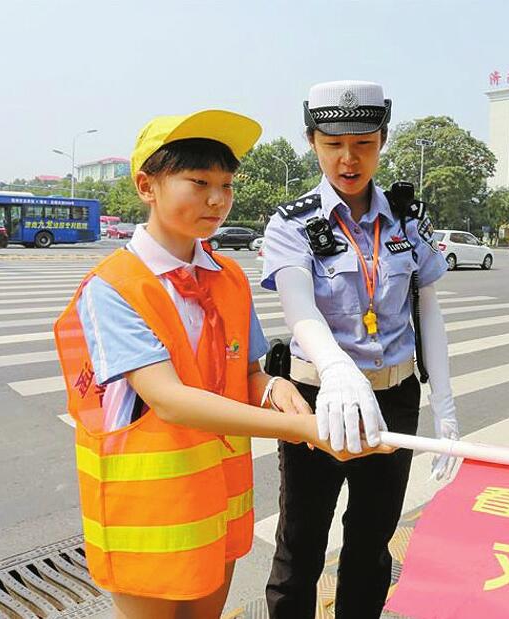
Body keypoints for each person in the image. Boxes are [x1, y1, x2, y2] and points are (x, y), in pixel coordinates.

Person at [53, 109, 388, 619]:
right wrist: (302, 429)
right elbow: (169, 400)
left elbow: (245, 373)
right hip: (147, 519)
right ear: (146, 186)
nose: (217, 199)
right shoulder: (114, 287)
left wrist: (274, 388)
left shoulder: (227, 277)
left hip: (215, 507)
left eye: (226, 185)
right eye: (199, 182)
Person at [261, 81, 460, 618]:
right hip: (317, 401)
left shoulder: (407, 220)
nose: (348, 159)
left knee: (372, 541)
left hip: (394, 399)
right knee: (301, 542)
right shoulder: (293, 222)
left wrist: (444, 405)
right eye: (333, 144)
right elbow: (299, 307)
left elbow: (428, 309)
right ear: (312, 142)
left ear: (382, 140)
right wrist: (337, 370)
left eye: (363, 144)